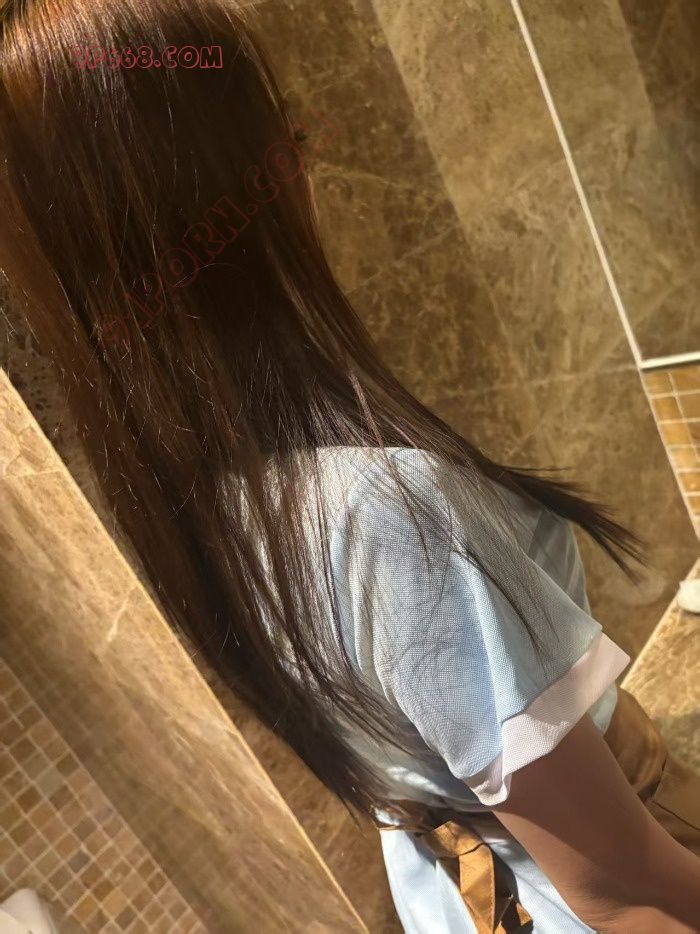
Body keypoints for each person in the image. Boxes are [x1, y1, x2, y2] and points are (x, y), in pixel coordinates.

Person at [1, 1, 699, 930]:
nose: (302, 158)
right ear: (239, 184)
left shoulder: (216, 510)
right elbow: (626, 892)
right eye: (278, 131)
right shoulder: (384, 513)